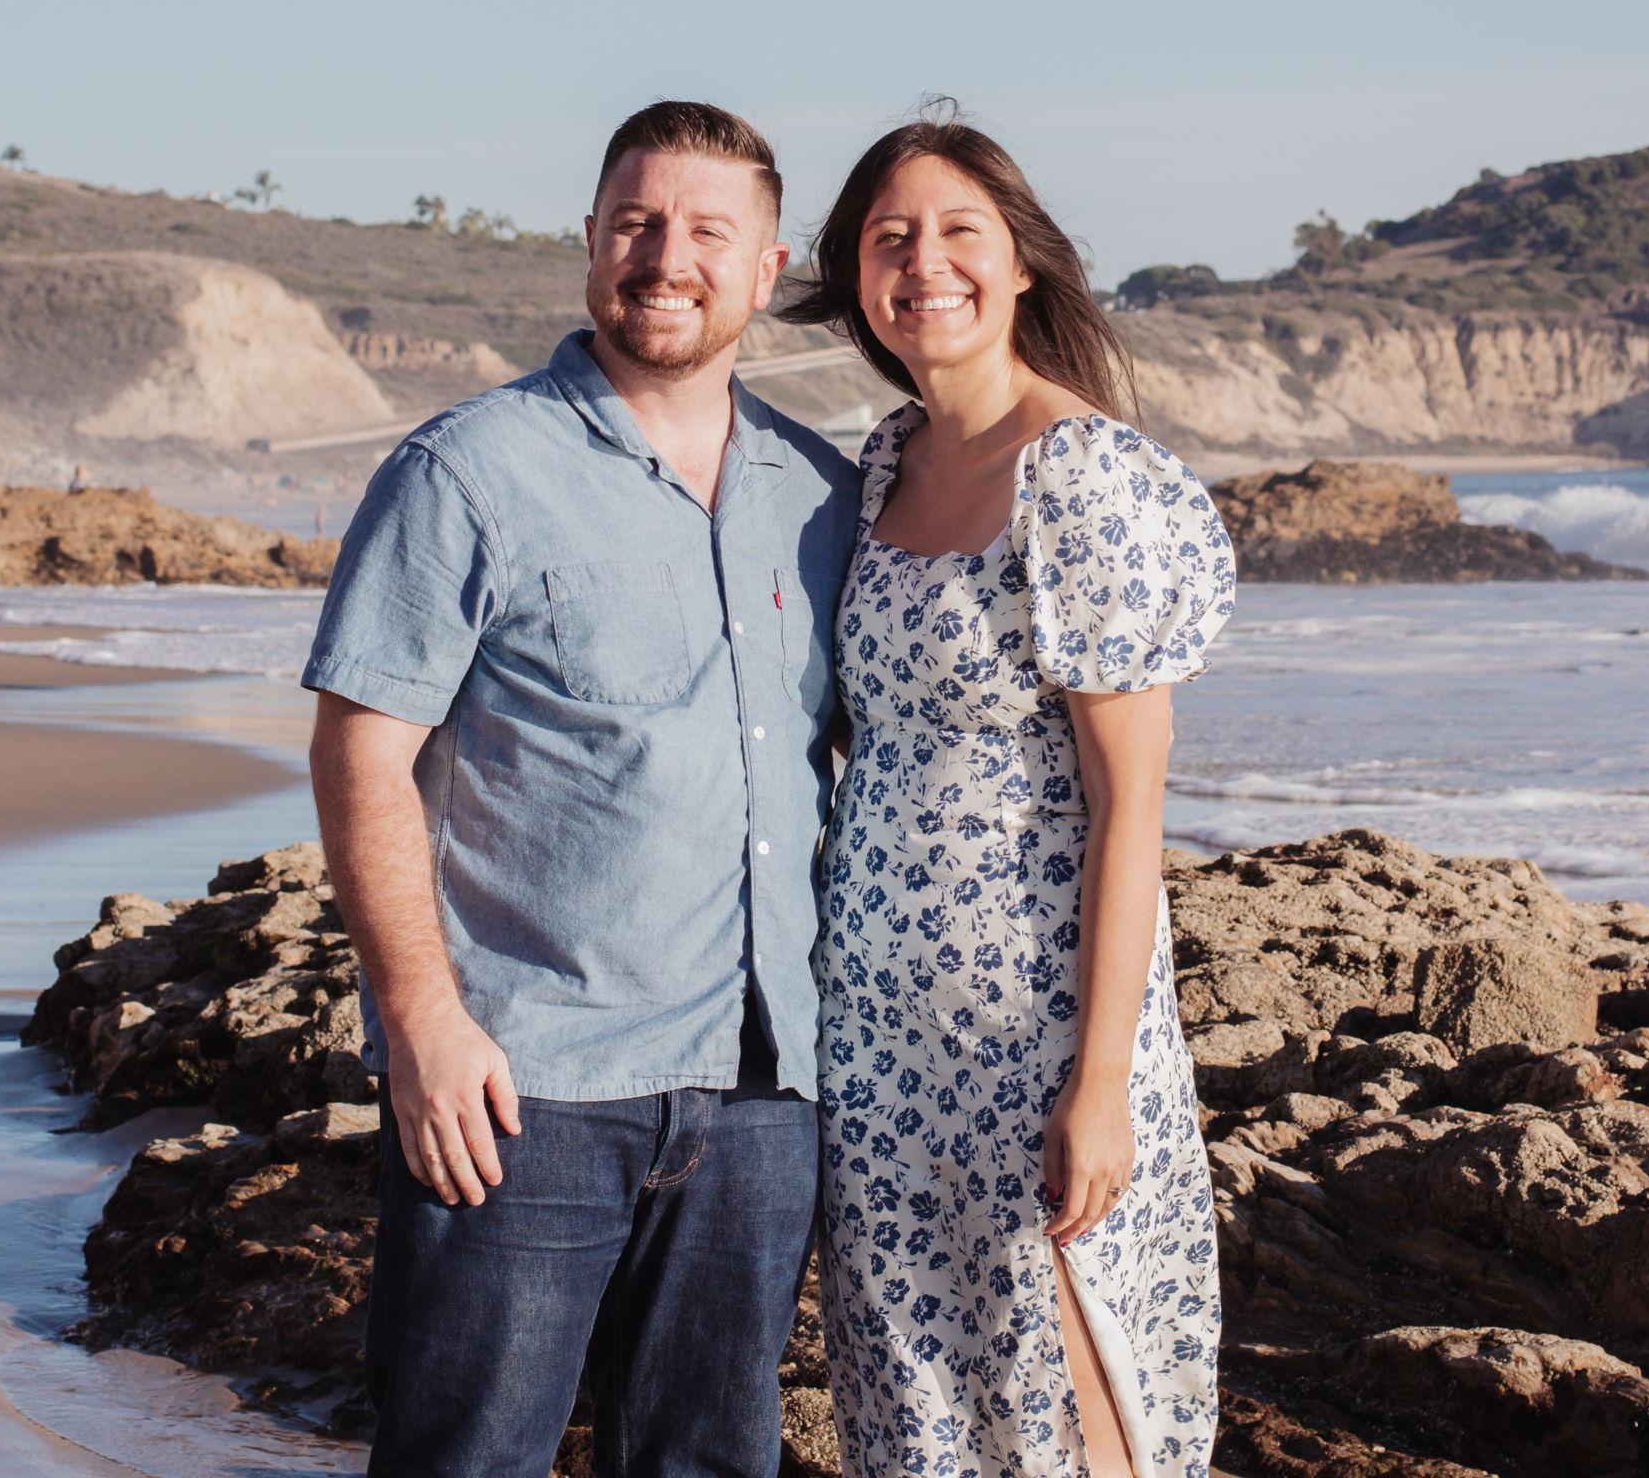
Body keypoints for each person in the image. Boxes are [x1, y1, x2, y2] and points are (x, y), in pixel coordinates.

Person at [304, 102, 858, 1478]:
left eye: (707, 232)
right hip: (522, 1092)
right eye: (636, 223)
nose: (666, 258)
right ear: (591, 241)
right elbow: (361, 753)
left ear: (768, 267)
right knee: (465, 1459)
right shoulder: (468, 471)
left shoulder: (825, 496)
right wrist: (421, 1024)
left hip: (764, 1097)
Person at [781, 108, 1237, 1478]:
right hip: (876, 1037)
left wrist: (1100, 1084)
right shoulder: (882, 465)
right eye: (890, 238)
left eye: (958, 231)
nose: (924, 264)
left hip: (1035, 1030)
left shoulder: (1082, 478)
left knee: (1067, 1381)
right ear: (857, 277)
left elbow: (1130, 807)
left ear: (1022, 261)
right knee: (919, 1395)